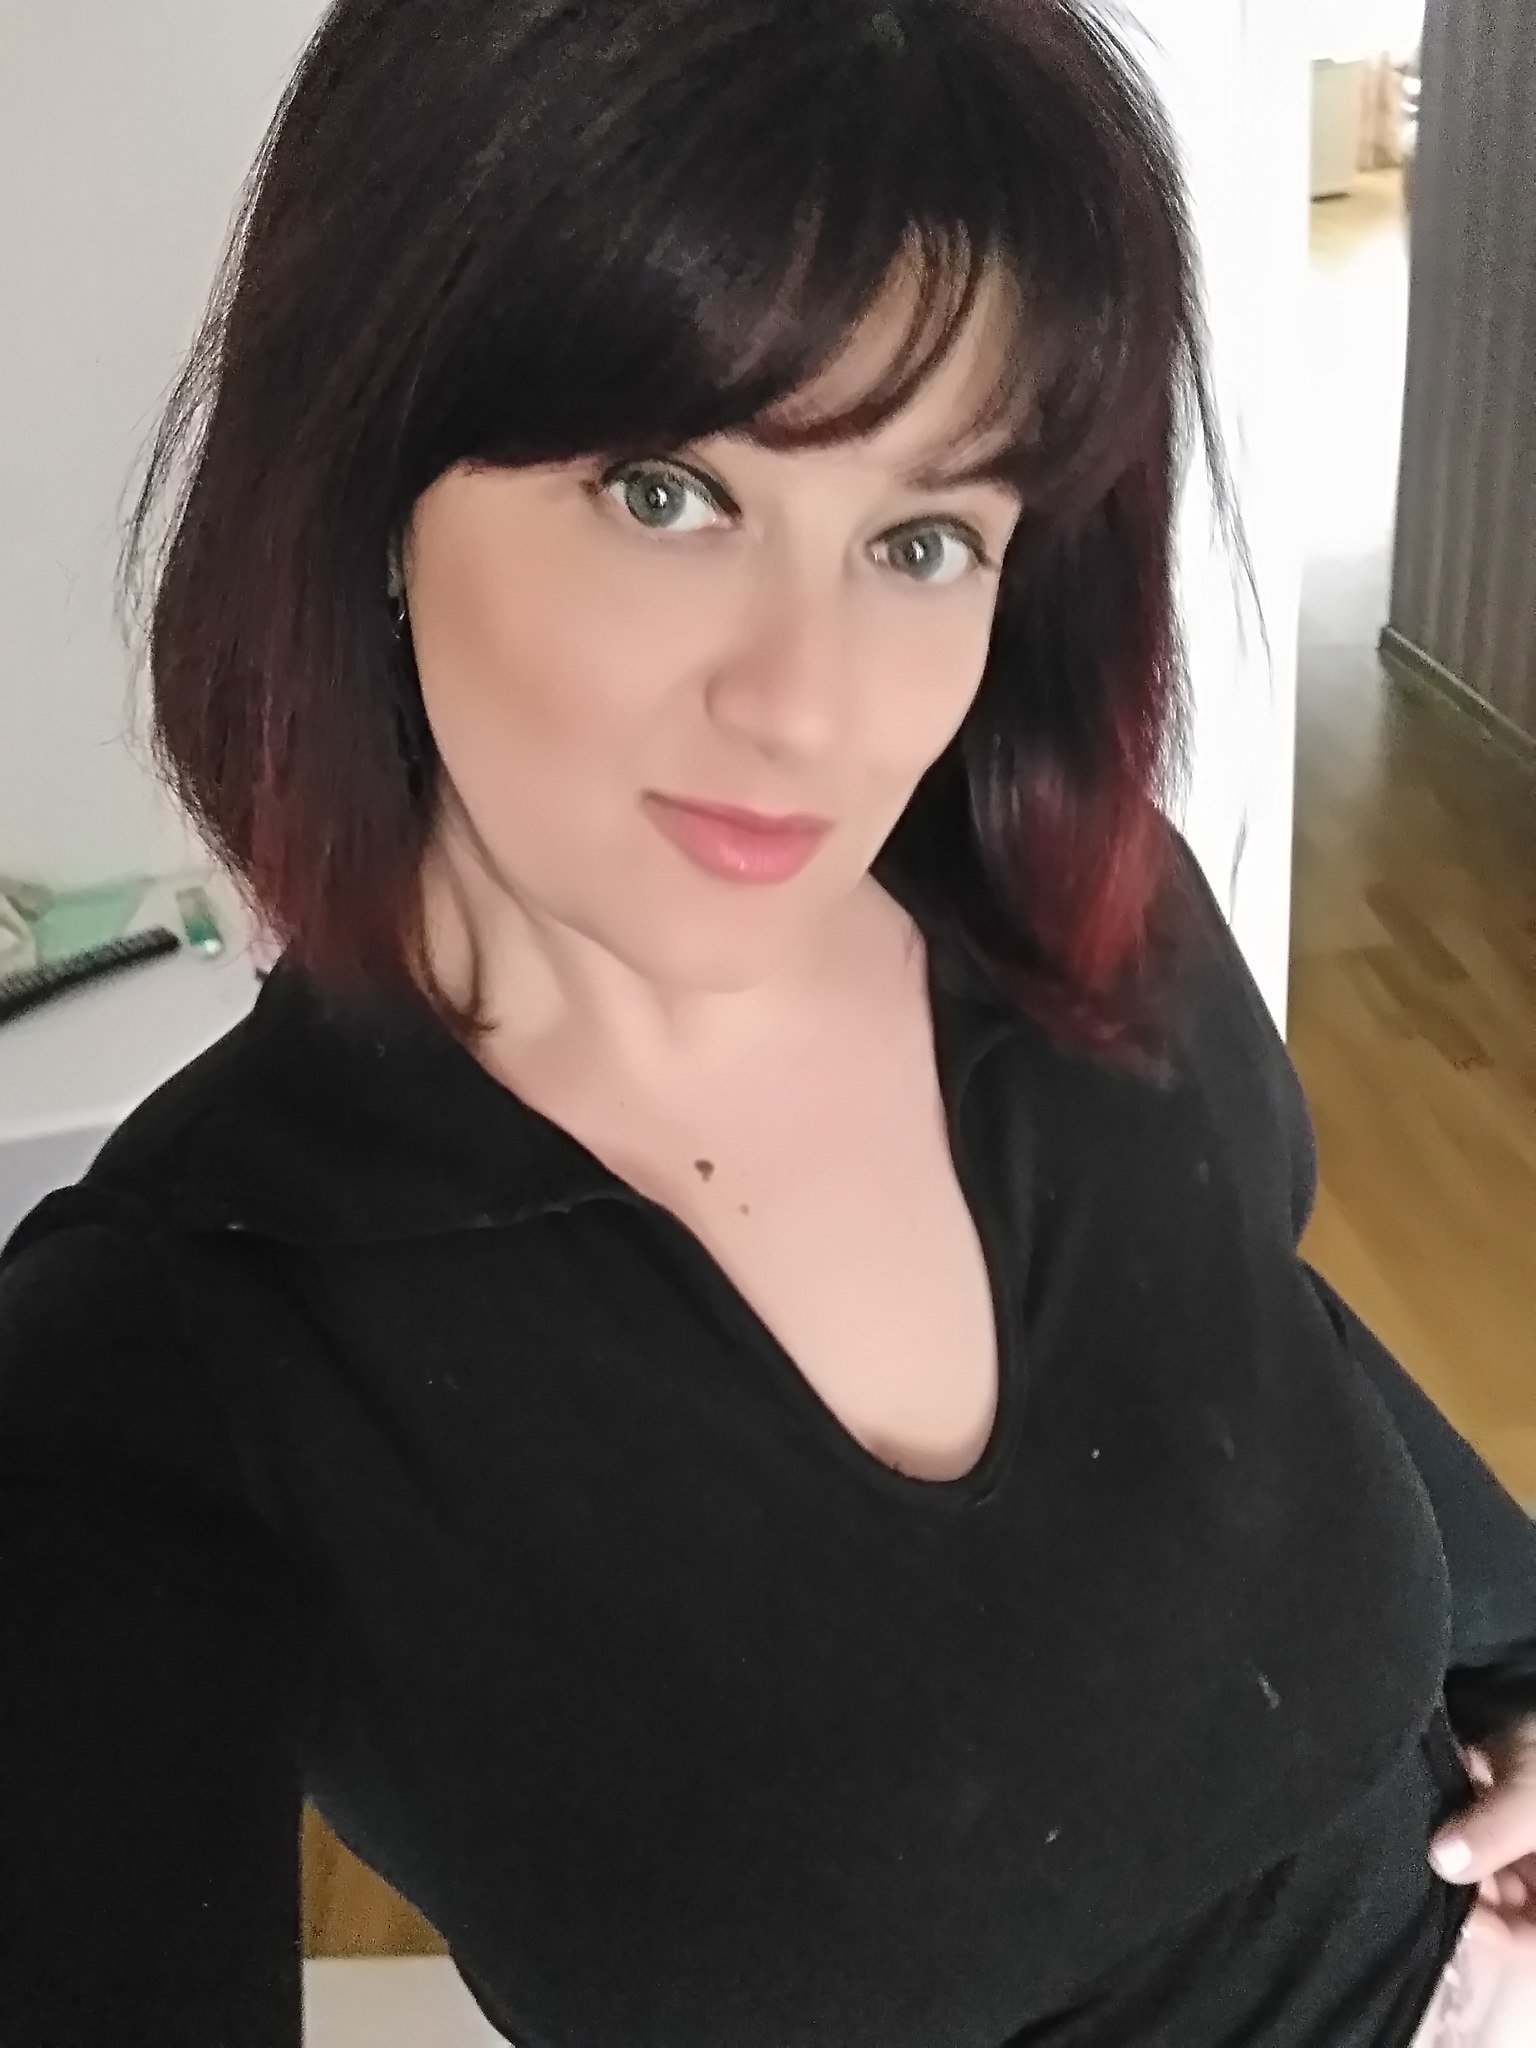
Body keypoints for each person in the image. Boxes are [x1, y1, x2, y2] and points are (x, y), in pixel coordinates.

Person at [0, 2, 1532, 2043]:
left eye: (923, 538)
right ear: (370, 484)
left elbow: (1253, 1338)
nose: (810, 707)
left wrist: (1523, 1659)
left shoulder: (1094, 930)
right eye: (668, 492)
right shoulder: (168, 1361)